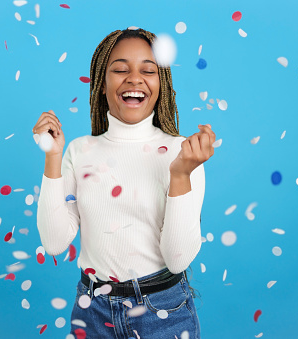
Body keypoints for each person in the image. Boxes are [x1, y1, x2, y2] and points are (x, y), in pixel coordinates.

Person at [33, 27, 216, 339]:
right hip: (91, 311)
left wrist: (181, 174)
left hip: (162, 312)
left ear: (162, 84)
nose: (134, 78)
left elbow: (178, 259)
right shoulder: (79, 151)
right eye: (120, 69)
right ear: (102, 84)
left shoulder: (181, 153)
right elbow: (54, 242)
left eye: (148, 70)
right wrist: (53, 156)